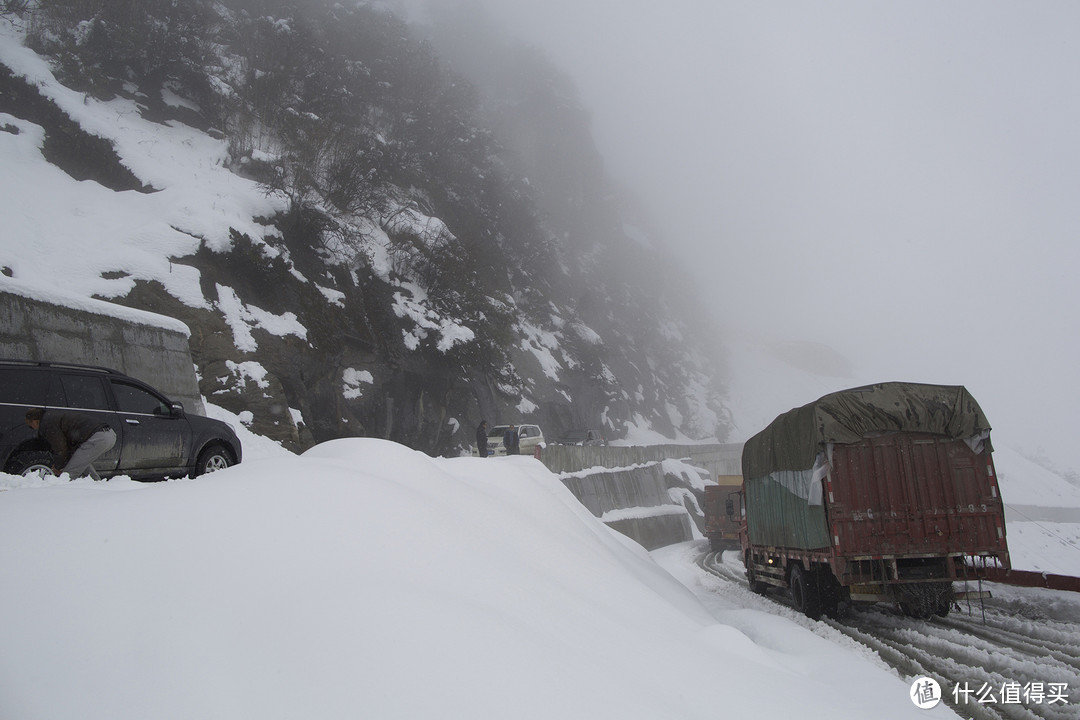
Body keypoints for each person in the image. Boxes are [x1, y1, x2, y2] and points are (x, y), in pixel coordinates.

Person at [25, 408, 117, 481]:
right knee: (80, 465)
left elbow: (61, 448)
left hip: (98, 438)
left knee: (68, 475)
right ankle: (98, 487)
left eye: (29, 425)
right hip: (108, 435)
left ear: (35, 421)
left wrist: (58, 467)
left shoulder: (48, 424)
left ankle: (63, 501)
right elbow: (68, 449)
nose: (31, 428)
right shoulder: (52, 418)